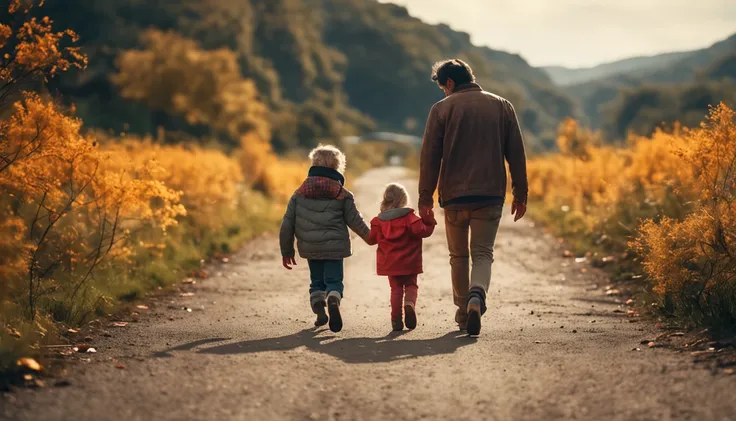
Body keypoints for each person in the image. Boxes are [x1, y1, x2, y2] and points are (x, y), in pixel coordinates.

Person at [418, 59, 528, 336]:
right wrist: (520, 193)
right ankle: (477, 295)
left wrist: (425, 198)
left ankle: (463, 310)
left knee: (458, 256)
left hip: (454, 196)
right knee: (483, 253)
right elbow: (516, 152)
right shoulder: (502, 105)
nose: (443, 93)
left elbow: (430, 157)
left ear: (451, 83)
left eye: (443, 87)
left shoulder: (441, 109)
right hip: (490, 194)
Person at [279, 145, 370, 333]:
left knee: (316, 281)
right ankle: (334, 298)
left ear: (313, 164)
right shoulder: (341, 194)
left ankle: (319, 307)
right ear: (337, 169)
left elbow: (287, 224)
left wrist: (287, 251)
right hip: (335, 249)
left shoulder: (299, 194)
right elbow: (355, 221)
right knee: (334, 279)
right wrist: (372, 237)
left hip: (311, 248)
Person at [365, 183, 436, 331]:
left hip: (391, 264)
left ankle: (396, 319)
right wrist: (429, 222)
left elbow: (371, 239)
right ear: (404, 200)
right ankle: (409, 304)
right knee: (411, 285)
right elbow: (423, 231)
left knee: (395, 289)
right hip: (410, 263)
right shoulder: (410, 218)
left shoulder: (379, 222)